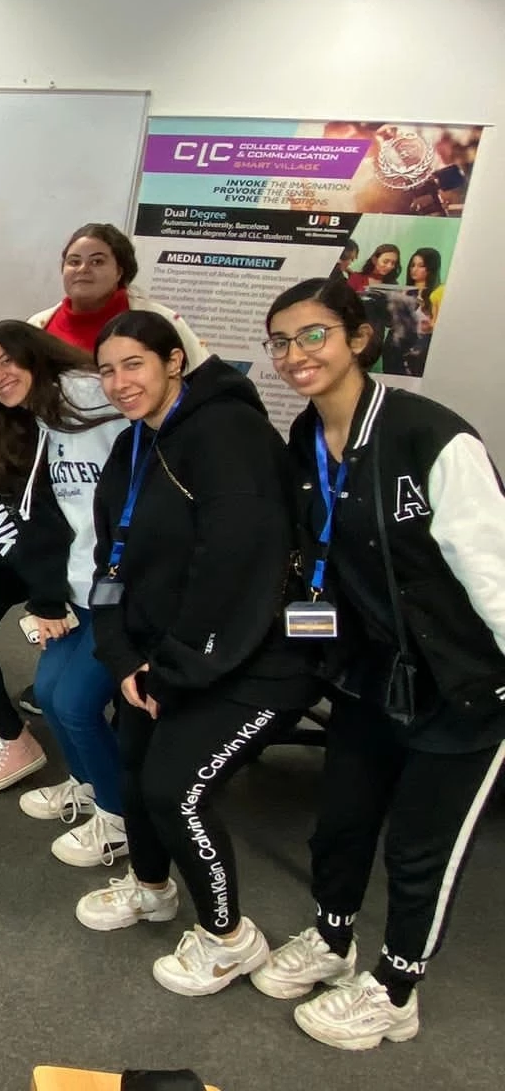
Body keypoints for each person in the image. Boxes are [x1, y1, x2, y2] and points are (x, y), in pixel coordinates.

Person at [251, 278, 505, 1051]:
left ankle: (396, 987)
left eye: (314, 335)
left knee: (419, 847)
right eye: (282, 342)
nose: (296, 355)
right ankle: (333, 940)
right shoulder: (305, 437)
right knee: (342, 823)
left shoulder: (431, 438)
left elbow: (492, 573)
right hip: (368, 672)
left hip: (460, 685)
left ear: (359, 339)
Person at [76, 310, 318, 998]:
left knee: (174, 790)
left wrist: (175, 667)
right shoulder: (135, 444)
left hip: (257, 663)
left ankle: (229, 938)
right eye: (108, 369)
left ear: (174, 362)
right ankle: (152, 888)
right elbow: (110, 560)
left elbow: (238, 569)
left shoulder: (226, 432)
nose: (120, 382)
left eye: (135, 365)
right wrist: (122, 657)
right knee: (133, 762)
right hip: (165, 657)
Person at [0, 324, 129, 853]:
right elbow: (44, 515)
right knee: (45, 693)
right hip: (72, 582)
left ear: (34, 357)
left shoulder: (93, 397)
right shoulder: (38, 420)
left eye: (6, 364)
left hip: (118, 585)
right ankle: (90, 787)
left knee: (73, 704)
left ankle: (120, 820)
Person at [30, 223, 208, 365]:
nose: (82, 269)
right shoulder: (37, 326)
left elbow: (206, 384)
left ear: (119, 271)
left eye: (97, 261)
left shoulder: (163, 322)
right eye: (74, 262)